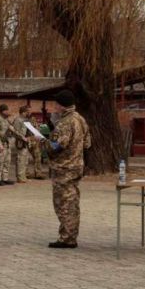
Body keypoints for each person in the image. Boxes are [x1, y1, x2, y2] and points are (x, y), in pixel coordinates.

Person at [45, 90, 91, 248]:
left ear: (61, 105)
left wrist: (43, 141)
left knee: (63, 203)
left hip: (64, 168)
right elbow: (87, 144)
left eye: (56, 104)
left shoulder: (65, 122)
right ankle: (70, 235)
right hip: (77, 166)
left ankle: (67, 238)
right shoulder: (80, 119)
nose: (54, 106)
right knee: (72, 202)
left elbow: (56, 146)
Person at [12, 105, 31, 183]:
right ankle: (20, 177)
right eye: (27, 112)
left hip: (26, 141)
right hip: (20, 141)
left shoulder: (26, 120)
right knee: (20, 160)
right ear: (23, 112)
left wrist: (29, 137)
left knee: (25, 160)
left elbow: (28, 131)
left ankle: (23, 176)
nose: (29, 113)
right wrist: (22, 137)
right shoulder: (18, 120)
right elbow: (15, 131)